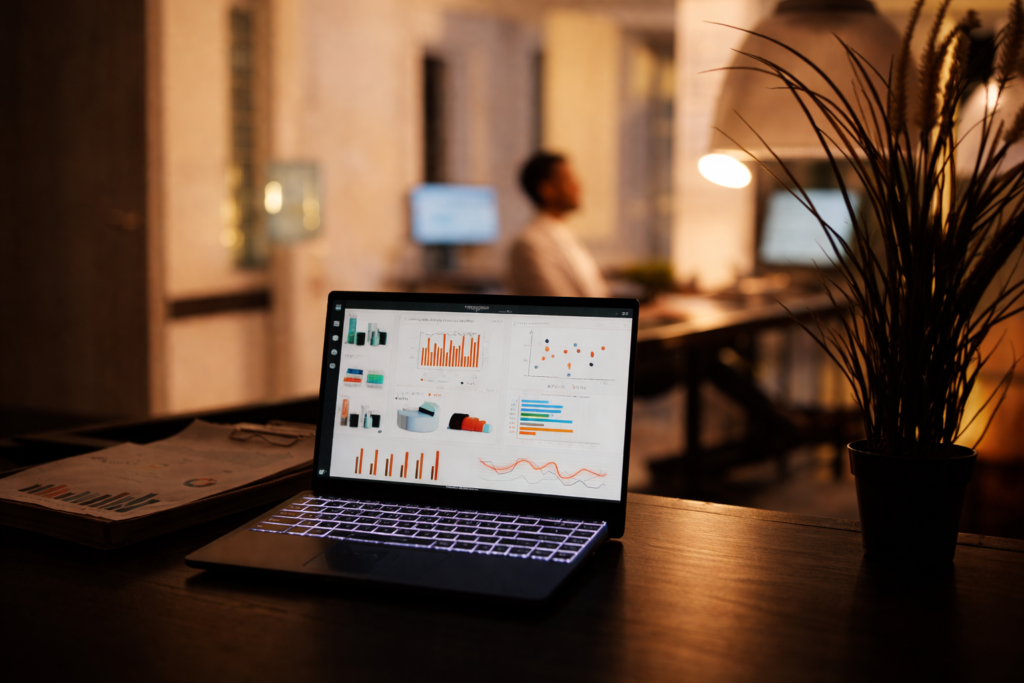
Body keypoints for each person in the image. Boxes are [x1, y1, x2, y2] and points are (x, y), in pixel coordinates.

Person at [509, 152, 611, 297]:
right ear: (547, 190)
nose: (577, 185)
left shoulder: (564, 233)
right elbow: (562, 306)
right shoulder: (530, 245)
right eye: (568, 179)